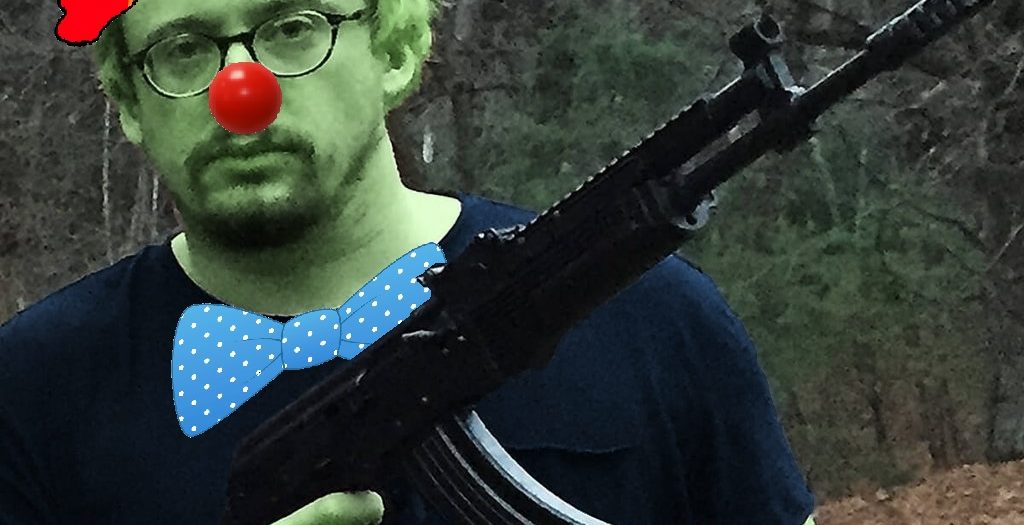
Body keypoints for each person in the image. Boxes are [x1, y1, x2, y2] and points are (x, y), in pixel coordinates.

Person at [0, 0, 818, 523]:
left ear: (391, 50)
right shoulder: (32, 390)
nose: (240, 90)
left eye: (293, 28)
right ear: (129, 104)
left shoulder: (655, 316)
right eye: (182, 49)